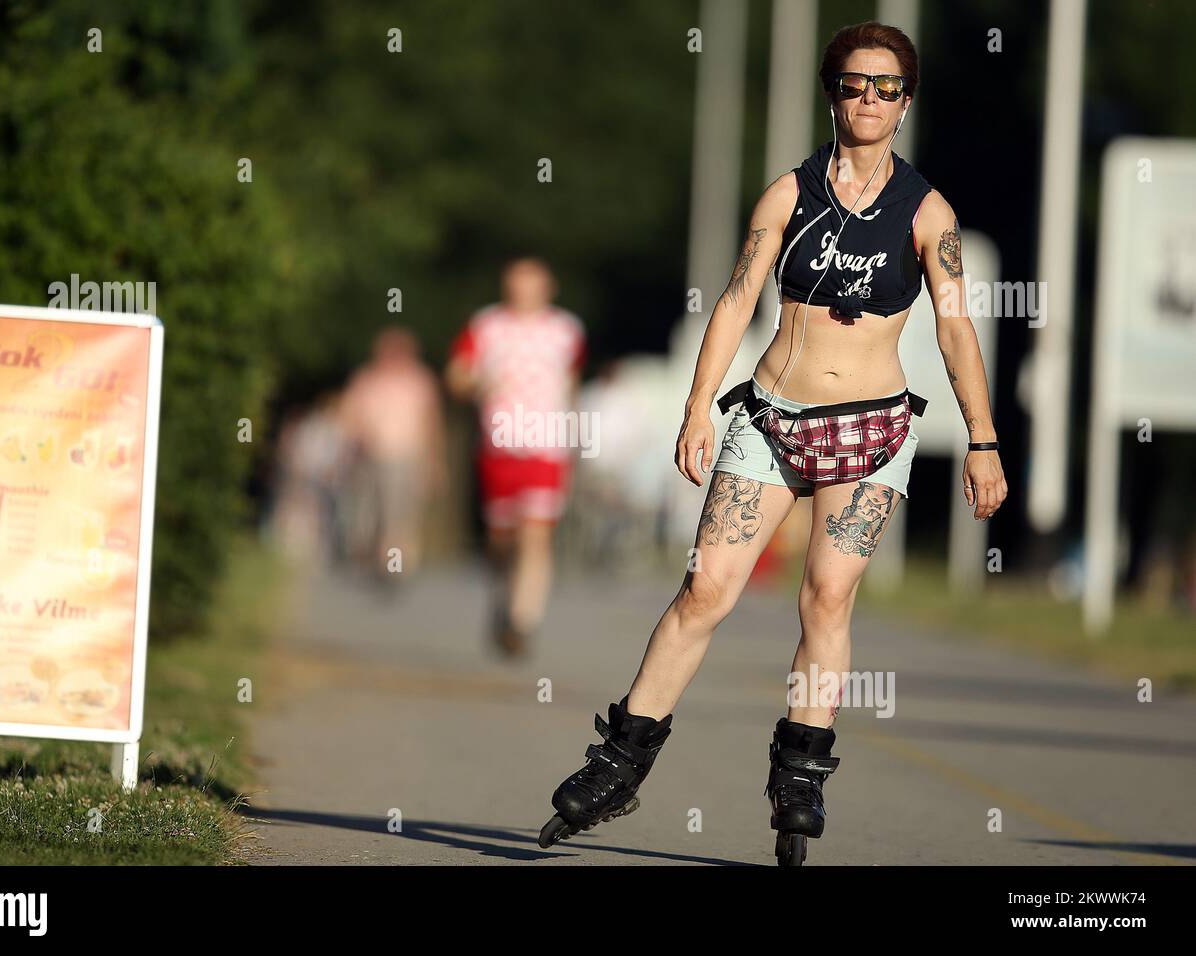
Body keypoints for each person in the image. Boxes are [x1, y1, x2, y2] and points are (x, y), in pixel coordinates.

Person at [537, 22, 1008, 865]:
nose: (870, 100)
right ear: (832, 92)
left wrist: (983, 438)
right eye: (855, 84)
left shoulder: (928, 213)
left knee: (828, 594)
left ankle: (799, 778)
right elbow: (735, 298)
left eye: (888, 87)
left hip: (869, 432)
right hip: (771, 420)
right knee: (705, 589)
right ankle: (621, 761)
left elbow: (957, 330)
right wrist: (696, 410)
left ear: (907, 102)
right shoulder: (787, 196)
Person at [446, 257, 586, 657]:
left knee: (536, 534)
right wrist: (478, 381)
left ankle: (521, 621)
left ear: (548, 288)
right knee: (501, 540)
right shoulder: (487, 325)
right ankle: (502, 597)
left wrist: (574, 438)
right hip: (499, 444)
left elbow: (571, 384)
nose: (523, 293)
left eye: (532, 284)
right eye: (516, 284)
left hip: (547, 445)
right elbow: (457, 375)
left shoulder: (566, 330)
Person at [339, 327, 446, 581]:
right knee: (372, 513)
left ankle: (396, 563)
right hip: (371, 456)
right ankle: (379, 556)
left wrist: (434, 462)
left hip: (407, 456)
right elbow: (349, 417)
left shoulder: (419, 381)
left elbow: (431, 423)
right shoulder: (367, 380)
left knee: (401, 512)